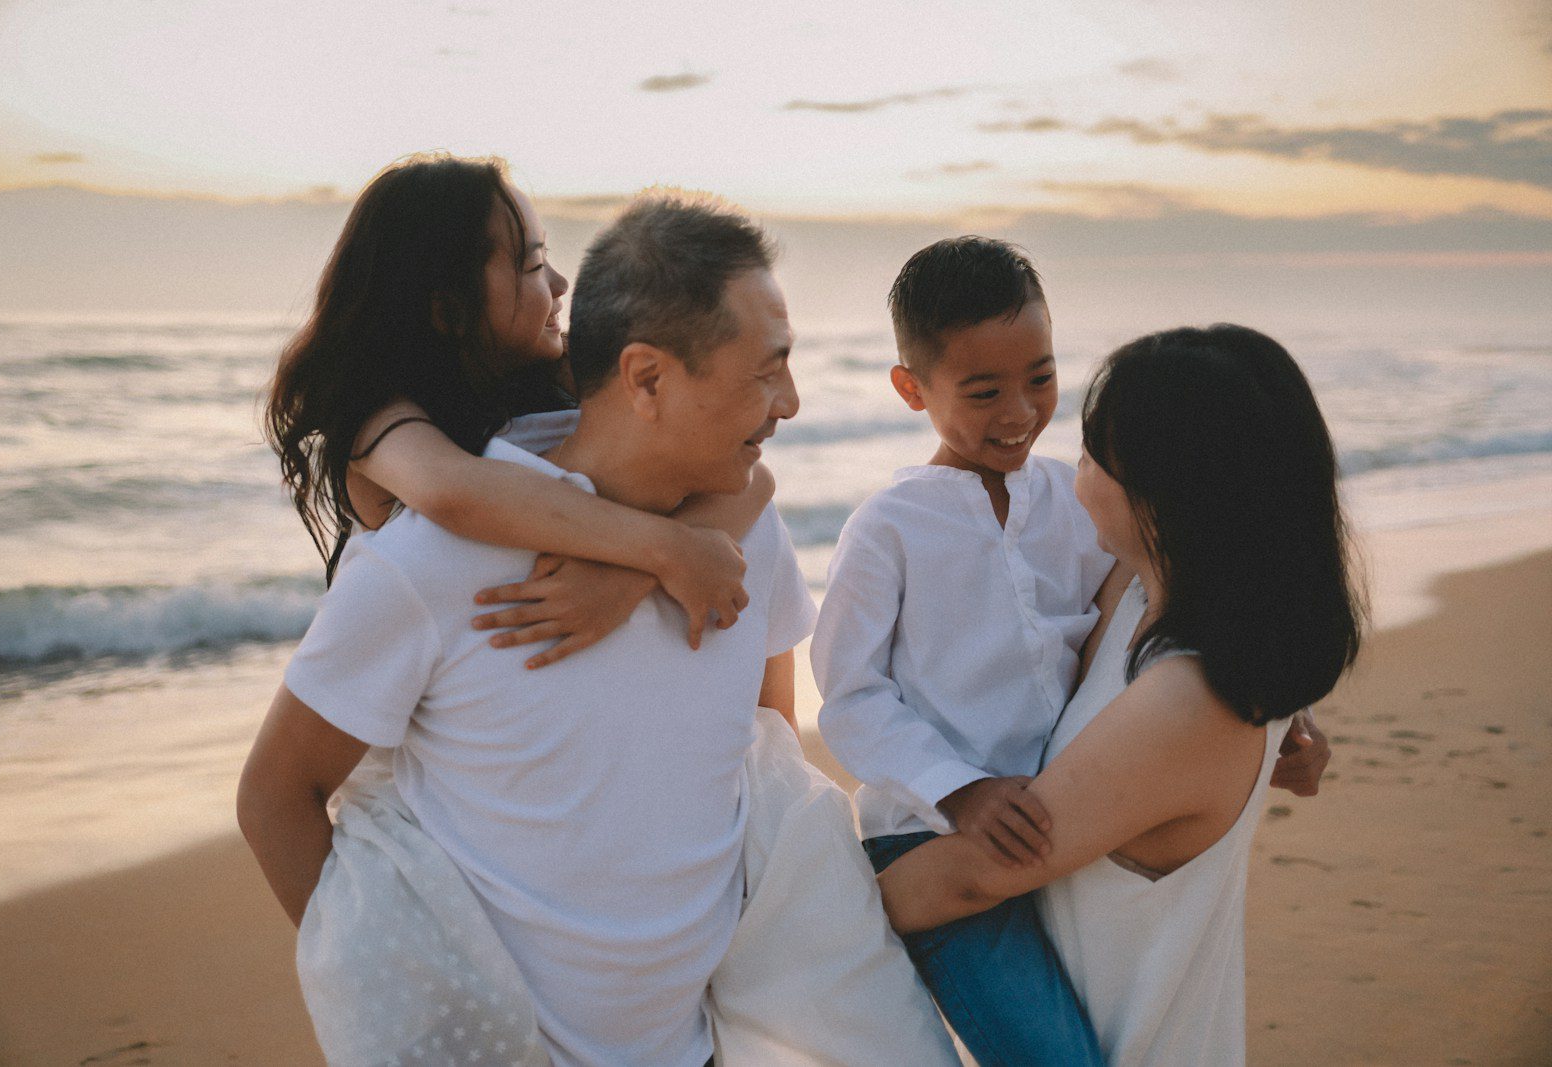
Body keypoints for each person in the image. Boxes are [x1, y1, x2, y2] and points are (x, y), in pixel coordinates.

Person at [240, 195, 957, 1066]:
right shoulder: (430, 556)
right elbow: (276, 796)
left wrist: (638, 569)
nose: (793, 403)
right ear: (647, 378)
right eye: (766, 371)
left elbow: (760, 750)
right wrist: (393, 987)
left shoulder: (742, 531)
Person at [814, 238, 1331, 1064]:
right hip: (932, 834)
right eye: (984, 391)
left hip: (1035, 837)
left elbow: (1197, 594)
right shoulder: (889, 527)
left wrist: (1279, 710)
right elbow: (848, 695)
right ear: (912, 389)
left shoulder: (1062, 500)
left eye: (1042, 380)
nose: (1020, 412)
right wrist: (962, 789)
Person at [264, 152, 771, 677]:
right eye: (531, 265)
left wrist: (628, 581)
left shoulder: (564, 372)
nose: (560, 284)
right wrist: (669, 551)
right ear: (446, 308)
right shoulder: (378, 418)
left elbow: (748, 473)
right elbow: (452, 491)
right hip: (412, 720)